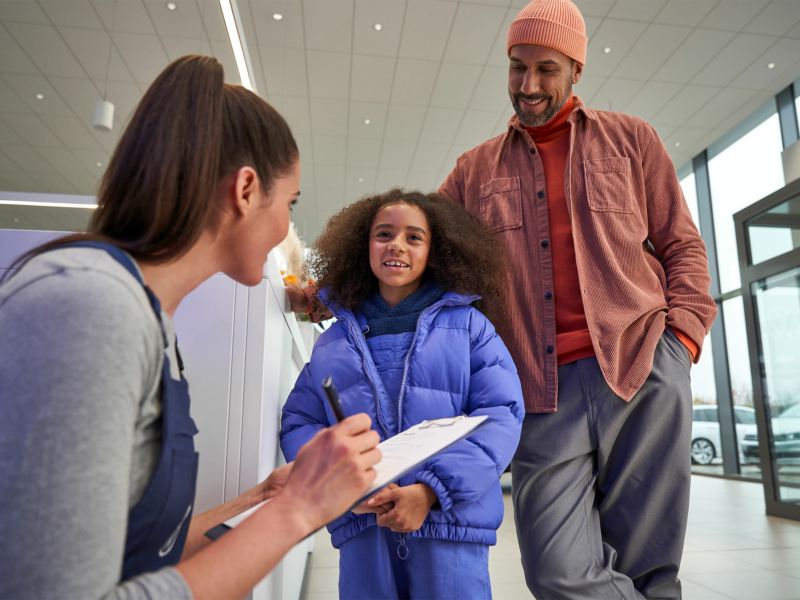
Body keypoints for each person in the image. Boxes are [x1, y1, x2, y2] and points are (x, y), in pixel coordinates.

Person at [0, 55, 382, 600]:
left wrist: (265, 500)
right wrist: (301, 510)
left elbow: (139, 549)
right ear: (246, 189)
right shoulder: (90, 309)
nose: (285, 228)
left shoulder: (148, 322)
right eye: (290, 204)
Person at [435, 0, 718, 598]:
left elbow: (683, 248)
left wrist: (683, 341)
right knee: (558, 572)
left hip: (641, 367)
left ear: (576, 70)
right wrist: (329, 284)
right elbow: (415, 243)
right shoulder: (473, 171)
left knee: (650, 570)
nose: (528, 85)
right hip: (539, 391)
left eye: (545, 68)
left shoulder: (631, 141)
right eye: (516, 67)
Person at [280, 189, 525, 600]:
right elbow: (298, 422)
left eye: (414, 237)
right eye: (384, 234)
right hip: (363, 529)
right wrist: (339, 484)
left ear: (437, 252)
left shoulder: (470, 328)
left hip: (449, 528)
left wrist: (430, 492)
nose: (397, 244)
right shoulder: (334, 341)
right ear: (363, 247)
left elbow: (500, 414)